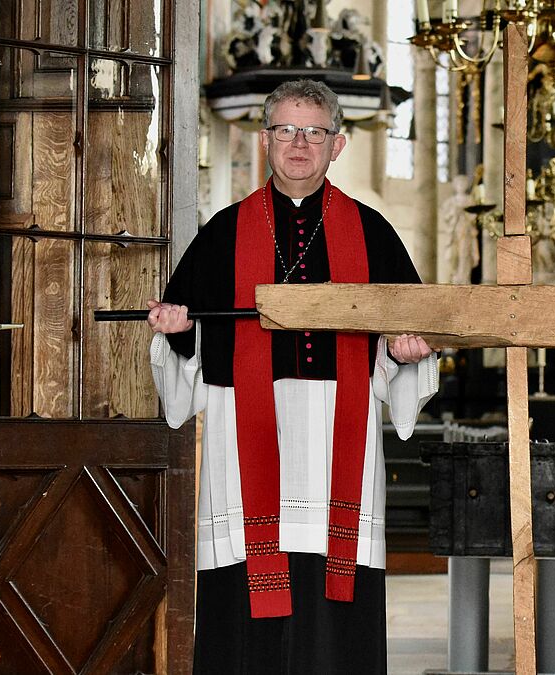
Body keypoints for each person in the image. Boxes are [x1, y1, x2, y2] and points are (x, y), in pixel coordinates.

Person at [146, 79, 437, 674]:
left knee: (335, 617)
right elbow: (187, 350)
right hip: (243, 441)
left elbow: (407, 336)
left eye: (314, 132)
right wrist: (177, 331)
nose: (299, 144)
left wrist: (405, 352)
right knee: (244, 608)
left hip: (339, 435)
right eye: (286, 130)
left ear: (338, 145)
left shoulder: (372, 231)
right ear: (265, 141)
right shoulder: (222, 233)